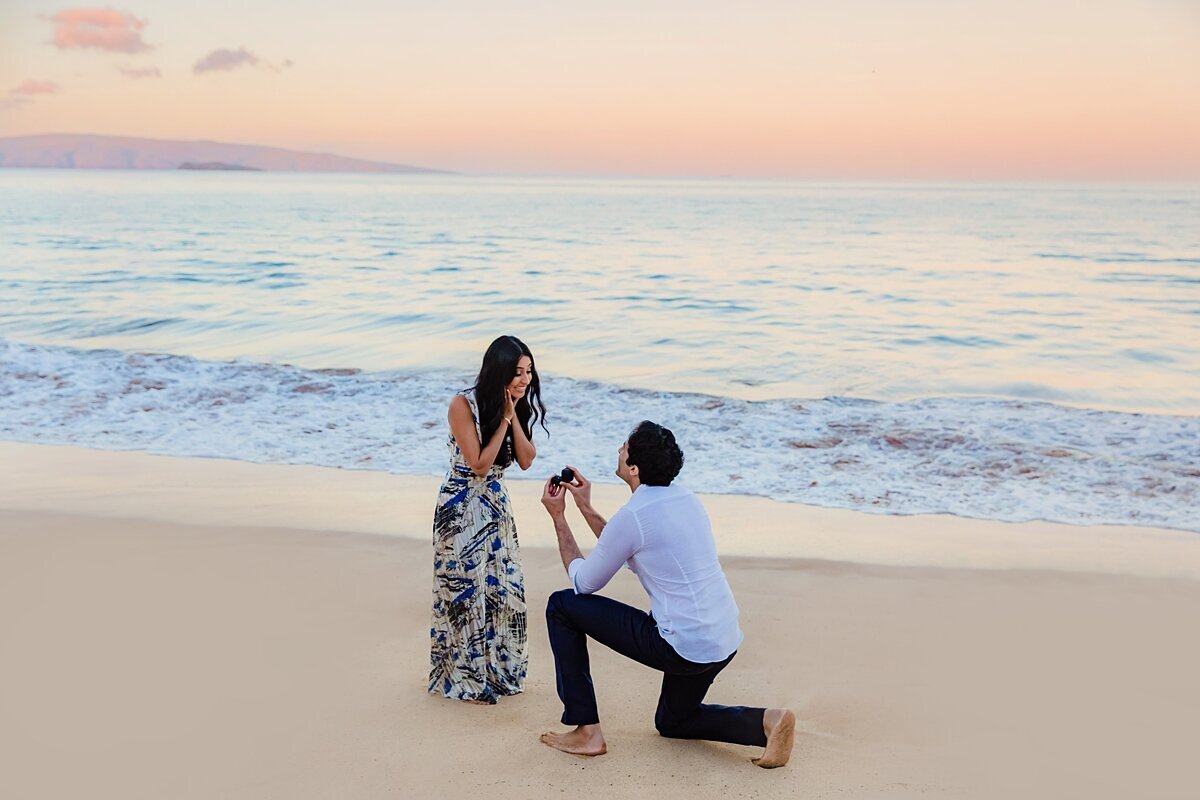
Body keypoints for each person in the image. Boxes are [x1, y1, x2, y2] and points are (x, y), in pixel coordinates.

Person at [538, 421, 795, 767]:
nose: (618, 450)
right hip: (722, 641)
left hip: (682, 648)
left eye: (624, 448)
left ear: (633, 467)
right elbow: (630, 547)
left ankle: (587, 732)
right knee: (672, 722)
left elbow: (584, 582)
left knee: (561, 606)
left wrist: (559, 518)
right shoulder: (685, 499)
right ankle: (767, 721)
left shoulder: (634, 516)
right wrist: (585, 507)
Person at [429, 335, 545, 704]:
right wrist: (504, 419)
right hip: (462, 505)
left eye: (528, 372)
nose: (524, 379)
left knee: (501, 590)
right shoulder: (463, 404)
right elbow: (478, 464)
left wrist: (512, 419)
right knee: (465, 591)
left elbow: (526, 459)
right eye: (516, 372)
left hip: (495, 506)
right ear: (497, 370)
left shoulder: (513, 405)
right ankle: (465, 680)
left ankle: (497, 674)